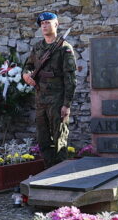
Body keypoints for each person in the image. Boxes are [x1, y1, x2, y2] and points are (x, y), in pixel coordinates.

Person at [22, 12, 77, 168]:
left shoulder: (64, 48)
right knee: (43, 140)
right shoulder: (38, 47)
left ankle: (60, 176)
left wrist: (67, 104)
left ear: (56, 24)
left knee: (59, 140)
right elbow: (27, 66)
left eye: (48, 22)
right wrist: (26, 76)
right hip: (41, 100)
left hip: (57, 101)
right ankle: (48, 173)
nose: (44, 26)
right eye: (42, 24)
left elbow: (70, 78)